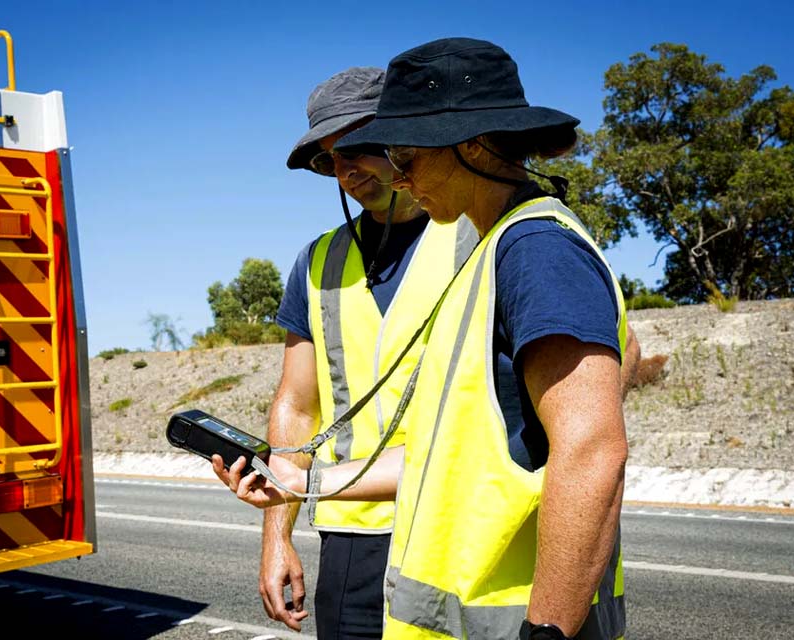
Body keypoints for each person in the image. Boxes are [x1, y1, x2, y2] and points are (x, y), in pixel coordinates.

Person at [216, 38, 636, 640]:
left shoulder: (531, 249)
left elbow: (592, 449)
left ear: (468, 144)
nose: (399, 174)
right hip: (415, 560)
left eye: (402, 154)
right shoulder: (483, 249)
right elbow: (447, 448)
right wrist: (301, 484)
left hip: (507, 591)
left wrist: (548, 631)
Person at [262, 66, 478, 639]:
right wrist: (277, 535)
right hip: (353, 534)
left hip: (457, 526)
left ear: (405, 140)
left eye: (359, 145)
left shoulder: (478, 233)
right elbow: (297, 406)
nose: (347, 167)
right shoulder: (318, 262)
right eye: (331, 158)